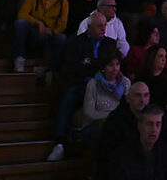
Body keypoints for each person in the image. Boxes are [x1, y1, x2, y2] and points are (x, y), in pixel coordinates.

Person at [48, 12, 118, 161]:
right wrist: (97, 65)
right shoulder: (75, 42)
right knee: (69, 96)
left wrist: (89, 62)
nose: (103, 29)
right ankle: (60, 143)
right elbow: (74, 68)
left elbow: (111, 67)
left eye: (105, 25)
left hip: (104, 86)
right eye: (99, 26)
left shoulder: (110, 44)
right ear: (89, 26)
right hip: (82, 84)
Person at [106, 105, 167, 180]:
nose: (154, 129)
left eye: (158, 124)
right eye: (150, 124)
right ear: (139, 126)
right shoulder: (121, 156)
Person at [13, 0, 69, 73]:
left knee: (62, 38)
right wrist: (37, 23)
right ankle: (19, 59)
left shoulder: (63, 1)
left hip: (50, 35)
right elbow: (22, 14)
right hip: (35, 31)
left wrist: (52, 31)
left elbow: (63, 23)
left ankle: (51, 71)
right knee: (20, 23)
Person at [94, 81, 150, 179]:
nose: (143, 100)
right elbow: (107, 153)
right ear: (128, 99)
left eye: (146, 96)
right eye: (138, 96)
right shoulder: (116, 120)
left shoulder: (151, 116)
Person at [82, 53, 130, 136]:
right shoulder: (93, 84)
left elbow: (127, 109)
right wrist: (112, 116)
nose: (115, 69)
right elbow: (89, 113)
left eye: (117, 64)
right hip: (96, 125)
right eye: (111, 65)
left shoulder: (126, 82)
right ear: (103, 67)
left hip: (119, 125)